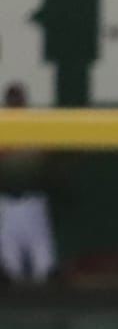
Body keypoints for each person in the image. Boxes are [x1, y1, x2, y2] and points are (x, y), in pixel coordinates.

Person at [0, 82, 58, 283]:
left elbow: (45, 159)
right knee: (9, 270)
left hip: (34, 203)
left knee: (45, 269)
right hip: (7, 205)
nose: (15, 104)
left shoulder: (34, 126)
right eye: (12, 101)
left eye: (18, 101)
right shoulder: (2, 127)